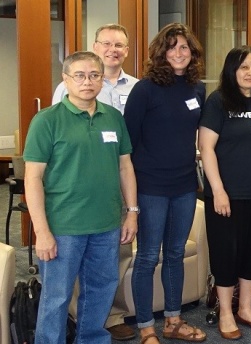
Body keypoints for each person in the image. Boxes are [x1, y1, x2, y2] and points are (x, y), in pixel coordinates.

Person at [25, 51, 138, 343]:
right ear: (66, 80)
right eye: (80, 75)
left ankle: (92, 339)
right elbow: (33, 178)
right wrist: (42, 231)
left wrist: (132, 212)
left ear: (102, 79)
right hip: (64, 226)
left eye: (94, 75)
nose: (87, 81)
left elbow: (125, 166)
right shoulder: (46, 120)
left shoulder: (113, 118)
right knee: (57, 297)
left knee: (101, 289)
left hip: (107, 223)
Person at [123, 23, 207, 344]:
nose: (178, 53)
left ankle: (173, 320)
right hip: (150, 188)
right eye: (171, 47)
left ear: (192, 52)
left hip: (185, 185)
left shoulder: (197, 89)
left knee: (174, 254)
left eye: (184, 47)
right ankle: (146, 327)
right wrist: (129, 200)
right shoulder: (144, 90)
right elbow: (127, 146)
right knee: (146, 257)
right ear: (160, 52)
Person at [199, 46, 251, 340]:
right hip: (227, 196)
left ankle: (245, 308)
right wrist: (218, 190)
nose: (250, 73)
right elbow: (206, 148)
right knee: (226, 255)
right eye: (244, 67)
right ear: (232, 70)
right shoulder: (218, 101)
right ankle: (225, 312)